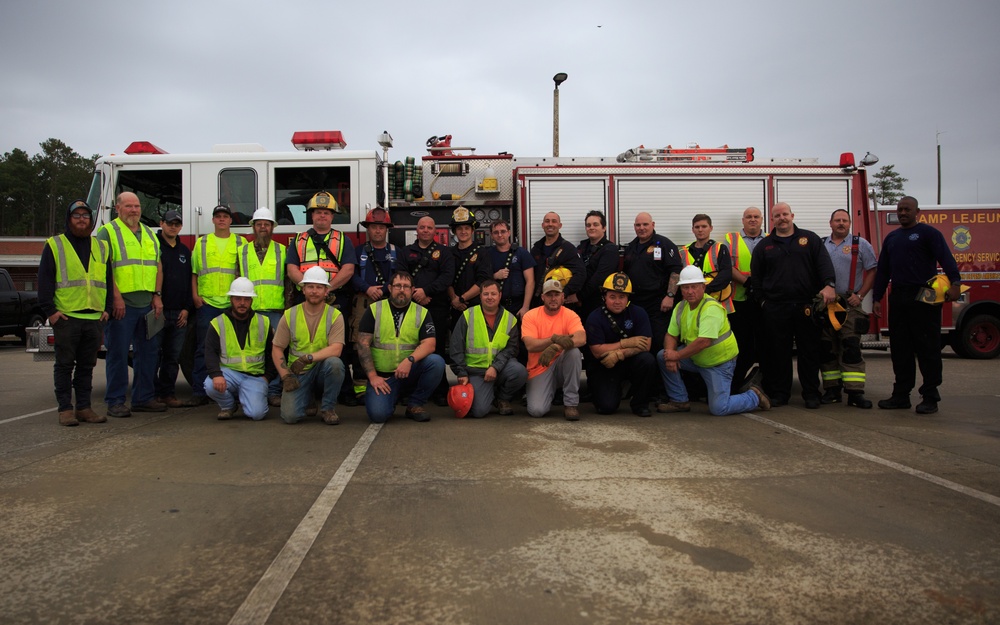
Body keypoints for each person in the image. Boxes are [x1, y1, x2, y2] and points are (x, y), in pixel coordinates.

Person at [872, 196, 961, 415]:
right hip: (899, 297)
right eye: (900, 209)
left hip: (925, 296)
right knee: (900, 349)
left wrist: (956, 283)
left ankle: (930, 396)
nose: (903, 213)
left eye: (907, 209)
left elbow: (947, 260)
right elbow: (883, 270)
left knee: (927, 347)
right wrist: (877, 297)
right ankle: (901, 395)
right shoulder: (891, 238)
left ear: (917, 211)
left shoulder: (929, 234)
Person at [750, 202, 836, 408]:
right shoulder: (765, 245)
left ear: (792, 215)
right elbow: (756, 278)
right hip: (776, 308)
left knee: (809, 352)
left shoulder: (811, 239)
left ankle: (811, 393)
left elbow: (824, 265)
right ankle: (780, 393)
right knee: (779, 353)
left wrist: (829, 285)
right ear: (772, 219)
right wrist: (763, 303)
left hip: (806, 306)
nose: (782, 218)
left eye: (785, 214)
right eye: (777, 215)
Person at [656, 266, 769, 415]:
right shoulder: (681, 307)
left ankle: (754, 395)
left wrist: (676, 356)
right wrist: (670, 352)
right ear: (681, 290)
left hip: (719, 363)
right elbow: (671, 335)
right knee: (663, 355)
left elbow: (704, 341)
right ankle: (679, 401)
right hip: (697, 358)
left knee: (719, 408)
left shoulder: (711, 308)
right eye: (686, 287)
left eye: (694, 287)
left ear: (703, 287)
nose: (690, 291)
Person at [37, 199, 111, 426]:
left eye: (85, 216)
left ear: (91, 220)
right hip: (67, 317)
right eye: (77, 215)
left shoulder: (101, 246)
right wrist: (50, 311)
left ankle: (84, 408)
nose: (81, 219)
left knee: (87, 367)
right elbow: (45, 279)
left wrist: (106, 309)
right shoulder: (55, 244)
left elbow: (108, 279)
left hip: (93, 318)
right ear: (69, 220)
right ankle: (65, 410)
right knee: (64, 365)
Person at [96, 191, 165, 417]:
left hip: (147, 304)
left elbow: (157, 267)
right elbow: (105, 270)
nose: (134, 210)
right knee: (118, 354)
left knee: (148, 354)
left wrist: (157, 295)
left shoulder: (149, 234)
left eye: (136, 206)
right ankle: (115, 401)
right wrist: (115, 297)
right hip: (122, 305)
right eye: (128, 206)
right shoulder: (107, 233)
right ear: (117, 208)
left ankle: (143, 398)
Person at [286, 191, 357, 405]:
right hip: (307, 300)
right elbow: (292, 269)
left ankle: (344, 391)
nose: (322, 216)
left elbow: (348, 269)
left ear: (333, 216)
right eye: (318, 212)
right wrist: (309, 290)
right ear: (311, 215)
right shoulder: (299, 240)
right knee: (303, 342)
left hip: (335, 298)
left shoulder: (343, 239)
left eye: (326, 212)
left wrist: (327, 289)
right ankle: (305, 389)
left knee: (338, 347)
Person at [356, 270, 445, 423]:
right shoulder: (374, 310)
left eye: (406, 286)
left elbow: (430, 344)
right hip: (383, 378)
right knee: (378, 415)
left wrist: (409, 360)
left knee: (436, 362)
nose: (402, 290)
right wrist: (372, 377)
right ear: (390, 288)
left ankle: (415, 404)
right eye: (398, 286)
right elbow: (363, 345)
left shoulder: (422, 312)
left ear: (412, 290)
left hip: (410, 373)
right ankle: (390, 399)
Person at [271, 266, 347, 425]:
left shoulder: (335, 315)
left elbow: (336, 348)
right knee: (290, 417)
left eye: (319, 287)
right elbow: (277, 348)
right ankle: (308, 396)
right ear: (303, 289)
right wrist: (285, 375)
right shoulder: (290, 314)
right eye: (310, 286)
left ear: (326, 291)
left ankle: (328, 408)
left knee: (335, 365)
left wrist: (308, 358)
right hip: (298, 373)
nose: (314, 291)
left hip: (321, 369)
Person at [819, 209, 878, 408]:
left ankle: (855, 393)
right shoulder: (821, 245)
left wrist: (860, 295)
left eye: (845, 220)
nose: (841, 223)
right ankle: (832, 390)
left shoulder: (861, 245)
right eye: (837, 220)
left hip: (850, 304)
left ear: (850, 223)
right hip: (826, 303)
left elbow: (872, 271)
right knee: (827, 348)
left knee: (851, 347)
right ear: (830, 223)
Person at [623, 212, 683, 401]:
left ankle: (661, 391)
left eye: (645, 224)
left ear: (653, 224)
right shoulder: (632, 247)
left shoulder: (663, 244)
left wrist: (670, 295)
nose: (641, 228)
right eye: (638, 225)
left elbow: (675, 270)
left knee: (658, 345)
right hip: (637, 306)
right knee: (640, 346)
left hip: (659, 305)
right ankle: (641, 388)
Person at [191, 204, 246, 406]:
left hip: (232, 303)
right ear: (213, 220)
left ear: (231, 220)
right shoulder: (202, 242)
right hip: (208, 303)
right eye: (218, 216)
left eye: (225, 216)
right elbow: (195, 273)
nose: (222, 219)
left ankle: (235, 389)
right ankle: (199, 391)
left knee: (235, 347)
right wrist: (195, 296)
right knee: (203, 347)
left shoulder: (240, 242)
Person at [449, 279, 528, 418]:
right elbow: (456, 347)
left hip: (500, 368)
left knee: (520, 371)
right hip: (476, 371)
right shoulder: (468, 315)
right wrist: (461, 372)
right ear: (480, 296)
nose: (490, 297)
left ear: (500, 295)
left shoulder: (510, 319)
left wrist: (495, 367)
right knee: (479, 412)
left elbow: (512, 349)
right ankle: (488, 393)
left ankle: (502, 398)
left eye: (493, 294)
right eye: (486, 294)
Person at [203, 277, 277, 420]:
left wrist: (267, 377)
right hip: (229, 374)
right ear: (231, 299)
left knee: (257, 414)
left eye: (246, 299)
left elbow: (273, 352)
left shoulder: (264, 322)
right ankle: (228, 406)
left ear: (252, 301)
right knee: (210, 384)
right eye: (238, 299)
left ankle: (248, 397)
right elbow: (210, 352)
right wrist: (216, 374)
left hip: (255, 377)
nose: (242, 303)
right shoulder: (218, 323)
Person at [399, 215, 455, 405]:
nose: (425, 230)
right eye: (422, 227)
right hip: (411, 307)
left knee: (436, 349)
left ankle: (439, 391)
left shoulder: (444, 252)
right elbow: (401, 275)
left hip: (436, 307)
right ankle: (410, 388)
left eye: (429, 228)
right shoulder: (406, 252)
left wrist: (427, 291)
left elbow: (447, 277)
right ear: (417, 229)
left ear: (435, 231)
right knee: (412, 347)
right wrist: (416, 293)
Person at [584, 273, 656, 417]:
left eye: (622, 297)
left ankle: (640, 404)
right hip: (605, 365)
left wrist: (620, 353)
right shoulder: (595, 317)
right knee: (606, 407)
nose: (617, 301)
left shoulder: (638, 313)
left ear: (628, 298)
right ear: (604, 297)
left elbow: (646, 345)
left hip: (629, 362)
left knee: (647, 360)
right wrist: (624, 343)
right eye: (613, 297)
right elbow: (598, 351)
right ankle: (614, 389)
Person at [240, 206, 287, 407]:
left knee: (276, 351)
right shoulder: (242, 251)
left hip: (275, 310)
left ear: (272, 228)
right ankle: (250, 389)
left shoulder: (282, 250)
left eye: (266, 225)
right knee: (253, 351)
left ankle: (274, 391)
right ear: (253, 227)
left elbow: (288, 281)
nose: (262, 228)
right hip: (250, 310)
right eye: (259, 224)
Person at [350, 207, 398, 401]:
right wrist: (367, 288)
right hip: (363, 301)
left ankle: (391, 382)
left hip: (388, 301)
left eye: (381, 227)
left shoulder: (395, 251)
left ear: (387, 230)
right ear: (368, 229)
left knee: (387, 341)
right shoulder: (358, 251)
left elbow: (399, 275)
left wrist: (385, 289)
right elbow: (350, 275)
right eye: (374, 227)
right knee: (359, 342)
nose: (378, 231)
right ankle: (360, 388)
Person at [521, 278, 586, 420]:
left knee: (574, 352)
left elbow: (581, 338)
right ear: (543, 297)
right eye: (549, 295)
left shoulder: (570, 315)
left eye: (556, 295)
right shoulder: (531, 316)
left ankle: (570, 404)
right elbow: (530, 345)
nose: (553, 298)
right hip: (540, 368)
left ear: (563, 297)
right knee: (537, 411)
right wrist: (553, 339)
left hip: (562, 366)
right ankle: (546, 390)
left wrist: (556, 346)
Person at [724, 207, 767, 392]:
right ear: (742, 220)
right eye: (748, 217)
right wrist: (747, 282)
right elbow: (727, 265)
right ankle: (735, 385)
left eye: (756, 217)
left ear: (762, 219)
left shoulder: (770, 240)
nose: (752, 220)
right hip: (738, 302)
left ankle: (767, 384)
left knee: (766, 345)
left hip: (765, 302)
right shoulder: (731, 240)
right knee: (741, 347)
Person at [154, 210, 193, 408]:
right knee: (152, 355)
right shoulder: (152, 247)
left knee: (172, 357)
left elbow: (188, 283)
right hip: (157, 311)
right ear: (162, 223)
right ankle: (151, 394)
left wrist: (187, 308)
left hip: (178, 313)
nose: (173, 227)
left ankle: (167, 394)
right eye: (170, 223)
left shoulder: (184, 252)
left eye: (177, 224)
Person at [529, 212, 586, 307]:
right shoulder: (536, 249)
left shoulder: (568, 249)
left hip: (559, 304)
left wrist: (564, 293)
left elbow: (580, 274)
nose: (550, 224)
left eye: (554, 221)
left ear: (560, 225)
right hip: (538, 303)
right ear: (543, 225)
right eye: (547, 221)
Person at [680, 214, 734, 314]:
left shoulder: (720, 248)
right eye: (697, 227)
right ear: (692, 229)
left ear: (711, 228)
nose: (700, 230)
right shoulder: (683, 252)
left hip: (718, 303)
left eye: (704, 226)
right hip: (693, 305)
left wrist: (705, 290)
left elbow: (726, 274)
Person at [447, 207, 492, 321]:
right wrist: (454, 299)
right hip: (454, 308)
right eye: (459, 228)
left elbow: (483, 280)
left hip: (475, 307)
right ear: (454, 231)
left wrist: (461, 299)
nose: (463, 232)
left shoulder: (482, 253)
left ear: (472, 230)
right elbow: (446, 278)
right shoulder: (448, 253)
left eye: (467, 228)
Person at [576, 210, 621, 322]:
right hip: (581, 303)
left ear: (604, 228)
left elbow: (599, 277)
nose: (591, 227)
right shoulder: (581, 248)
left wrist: (579, 296)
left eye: (595, 224)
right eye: (588, 225)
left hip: (598, 304)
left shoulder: (610, 249)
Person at [487, 220, 535, 318]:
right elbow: (481, 279)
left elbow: (530, 281)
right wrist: (495, 276)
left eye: (503, 231)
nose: (500, 235)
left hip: (518, 307)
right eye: (496, 232)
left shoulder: (521, 253)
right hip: (496, 307)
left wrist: (525, 307)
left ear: (509, 232)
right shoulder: (487, 254)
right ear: (491, 235)